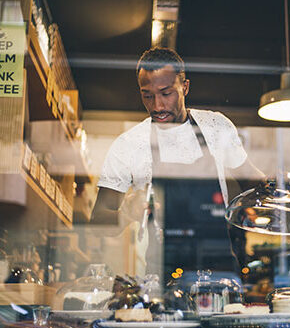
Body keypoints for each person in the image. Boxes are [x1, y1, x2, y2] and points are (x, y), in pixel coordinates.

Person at [91, 47, 263, 273]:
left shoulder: (216, 127)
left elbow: (251, 182)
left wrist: (272, 185)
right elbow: (96, 223)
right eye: (147, 96)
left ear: (185, 87)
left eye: (166, 93)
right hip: (162, 275)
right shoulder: (129, 144)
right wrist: (126, 213)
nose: (157, 106)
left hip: (219, 268)